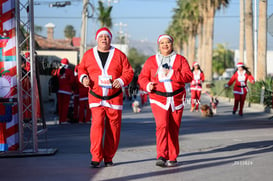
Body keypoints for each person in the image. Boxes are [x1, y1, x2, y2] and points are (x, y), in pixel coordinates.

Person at [78, 27, 134, 168]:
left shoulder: (120, 55)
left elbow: (128, 72)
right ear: (97, 39)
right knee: (97, 125)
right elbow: (81, 69)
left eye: (107, 37)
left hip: (114, 97)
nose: (104, 39)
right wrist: (84, 78)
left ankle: (108, 157)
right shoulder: (89, 54)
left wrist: (121, 80)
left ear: (110, 39)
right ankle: (96, 157)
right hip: (96, 97)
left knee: (113, 128)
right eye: (101, 36)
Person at [138, 34, 193, 167]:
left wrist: (174, 73)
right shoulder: (151, 60)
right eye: (162, 43)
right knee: (162, 125)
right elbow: (142, 78)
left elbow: (188, 77)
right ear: (159, 45)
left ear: (172, 44)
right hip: (158, 98)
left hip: (177, 98)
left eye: (167, 42)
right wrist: (147, 85)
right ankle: (162, 155)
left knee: (174, 127)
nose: (165, 45)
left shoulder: (180, 60)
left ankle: (172, 156)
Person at [56, 58, 74, 124]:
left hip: (59, 90)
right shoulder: (69, 71)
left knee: (60, 106)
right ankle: (63, 120)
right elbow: (72, 81)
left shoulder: (58, 70)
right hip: (67, 91)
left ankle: (60, 120)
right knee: (65, 106)